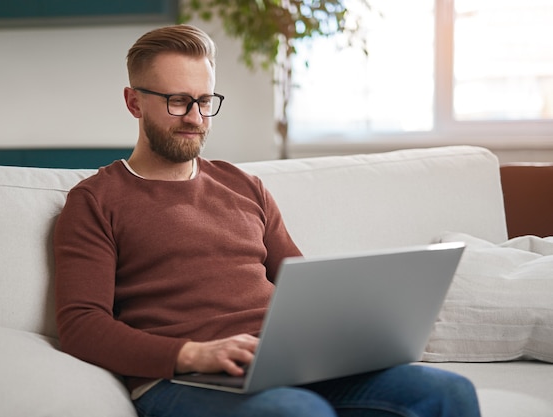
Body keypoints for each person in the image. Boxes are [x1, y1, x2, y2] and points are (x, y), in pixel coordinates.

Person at [53, 24, 481, 417]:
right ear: (134, 102)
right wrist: (192, 354)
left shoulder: (244, 186)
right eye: (177, 101)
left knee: (448, 392)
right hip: (181, 378)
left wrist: (364, 333)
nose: (195, 118)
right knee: (295, 411)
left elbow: (304, 285)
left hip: (280, 365)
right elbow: (80, 326)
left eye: (204, 101)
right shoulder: (95, 200)